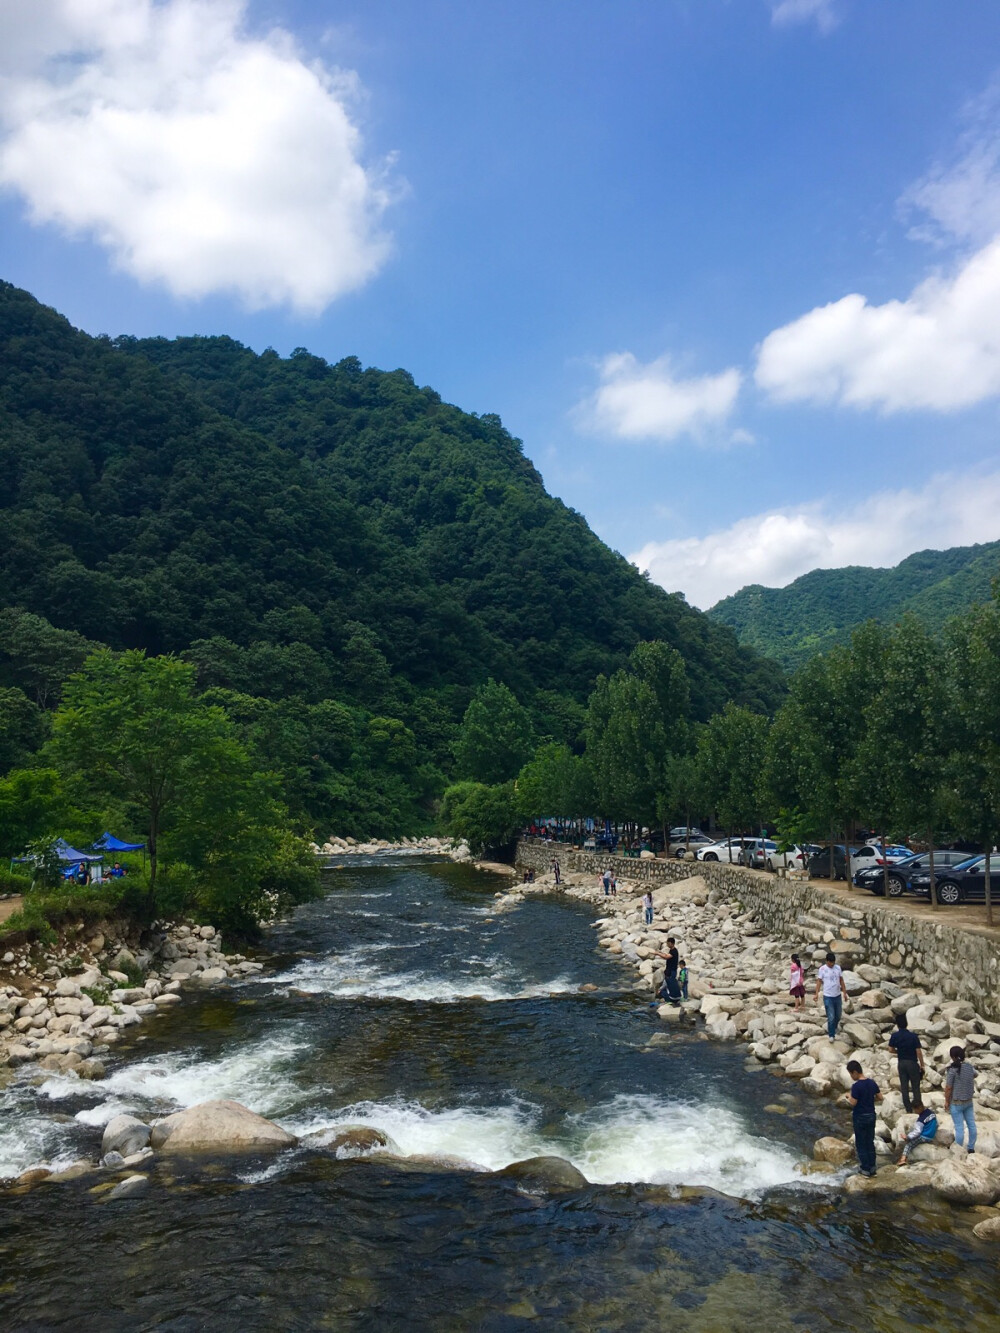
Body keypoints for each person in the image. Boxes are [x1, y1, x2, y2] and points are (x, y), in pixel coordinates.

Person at [847, 1059, 882, 1177]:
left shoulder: (856, 1086)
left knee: (861, 1143)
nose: (851, 1076)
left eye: (851, 1074)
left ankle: (865, 1168)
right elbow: (880, 1097)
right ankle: (873, 1167)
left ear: (855, 1072)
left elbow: (853, 1103)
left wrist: (848, 1097)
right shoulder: (872, 1083)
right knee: (870, 1141)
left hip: (860, 1117)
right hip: (871, 1115)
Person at [888, 1014, 925, 1113]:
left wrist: (898, 1052)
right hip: (912, 1063)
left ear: (897, 1025)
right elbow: (918, 1052)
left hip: (902, 1063)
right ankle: (918, 1107)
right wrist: (922, 1065)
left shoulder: (895, 1036)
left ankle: (908, 1109)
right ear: (907, 1023)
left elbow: (890, 1049)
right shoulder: (913, 1036)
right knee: (915, 1086)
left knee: (904, 1087)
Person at [944, 1046, 977, 1154]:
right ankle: (971, 1148)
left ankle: (958, 1150)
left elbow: (948, 1087)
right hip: (968, 1101)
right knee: (971, 1125)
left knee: (959, 1127)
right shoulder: (969, 1067)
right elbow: (975, 1074)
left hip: (956, 1102)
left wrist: (946, 1101)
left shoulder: (952, 1070)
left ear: (952, 1057)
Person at [814, 952, 848, 1040]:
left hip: (837, 995)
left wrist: (844, 992)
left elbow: (841, 980)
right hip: (828, 996)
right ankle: (831, 1035)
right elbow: (819, 981)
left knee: (838, 1015)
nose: (832, 964)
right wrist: (816, 993)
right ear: (827, 961)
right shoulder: (822, 969)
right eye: (830, 962)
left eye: (833, 962)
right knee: (831, 1016)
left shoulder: (838, 968)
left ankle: (834, 1026)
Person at [897, 1101, 937, 1165]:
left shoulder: (921, 1119)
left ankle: (903, 1159)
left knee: (908, 1144)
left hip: (925, 1136)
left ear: (919, 1108)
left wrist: (908, 1137)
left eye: (915, 1110)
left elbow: (917, 1132)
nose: (914, 1111)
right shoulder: (931, 1113)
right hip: (932, 1135)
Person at [656, 937, 682, 1004]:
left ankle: (670, 999)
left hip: (672, 971)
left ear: (671, 943)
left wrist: (658, 954)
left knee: (669, 984)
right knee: (669, 984)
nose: (667, 945)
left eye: (668, 943)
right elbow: (667, 955)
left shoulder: (674, 951)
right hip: (670, 970)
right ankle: (672, 997)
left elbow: (666, 957)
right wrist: (661, 952)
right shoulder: (672, 950)